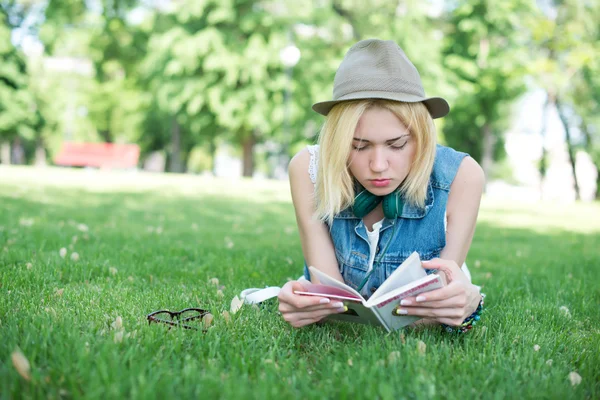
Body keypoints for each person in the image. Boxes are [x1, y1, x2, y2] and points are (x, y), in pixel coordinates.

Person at [277, 39, 485, 330]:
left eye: (397, 144)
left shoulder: (462, 175)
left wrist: (466, 303)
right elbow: (333, 299)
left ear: (422, 138)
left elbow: (436, 306)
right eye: (359, 146)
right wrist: (305, 304)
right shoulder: (308, 170)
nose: (377, 165)